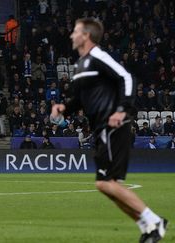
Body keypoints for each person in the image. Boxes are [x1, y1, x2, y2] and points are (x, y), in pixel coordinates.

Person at [50, 18, 168, 242]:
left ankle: (154, 221)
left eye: (75, 32)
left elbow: (126, 77)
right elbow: (81, 99)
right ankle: (148, 226)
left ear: (86, 36)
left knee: (105, 183)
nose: (71, 35)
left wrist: (123, 110)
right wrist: (64, 107)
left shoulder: (99, 56)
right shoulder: (80, 65)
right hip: (101, 128)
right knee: (107, 186)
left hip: (114, 125)